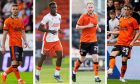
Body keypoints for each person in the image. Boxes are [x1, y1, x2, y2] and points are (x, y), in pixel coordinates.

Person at [108, 5, 140, 82]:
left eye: (127, 9)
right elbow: (121, 31)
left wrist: (133, 42)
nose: (125, 11)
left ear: (130, 11)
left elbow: (138, 32)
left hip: (127, 43)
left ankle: (121, 77)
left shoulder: (133, 20)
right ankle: (111, 69)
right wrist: (111, 32)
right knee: (112, 55)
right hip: (119, 42)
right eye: (124, 9)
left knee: (124, 61)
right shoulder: (121, 19)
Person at [72, 2, 102, 83]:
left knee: (95, 57)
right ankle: (74, 71)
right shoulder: (83, 16)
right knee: (82, 58)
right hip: (84, 41)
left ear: (93, 8)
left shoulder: (96, 16)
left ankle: (96, 77)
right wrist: (87, 26)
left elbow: (96, 25)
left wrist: (98, 29)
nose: (90, 9)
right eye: (89, 7)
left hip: (94, 41)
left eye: (91, 7)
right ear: (87, 8)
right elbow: (77, 27)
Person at [35, 1, 63, 82]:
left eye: (56, 7)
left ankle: (57, 74)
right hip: (48, 40)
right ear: (50, 8)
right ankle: (37, 74)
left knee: (60, 56)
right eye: (53, 7)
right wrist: (50, 31)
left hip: (56, 39)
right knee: (43, 57)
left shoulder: (59, 16)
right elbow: (40, 28)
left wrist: (59, 30)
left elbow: (57, 26)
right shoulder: (46, 17)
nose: (55, 9)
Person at [1, 4, 28, 84]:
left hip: (20, 44)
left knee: (19, 63)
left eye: (16, 9)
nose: (15, 10)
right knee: (14, 63)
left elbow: (23, 32)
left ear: (18, 10)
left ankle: (4, 73)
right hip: (13, 44)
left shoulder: (20, 20)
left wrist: (25, 41)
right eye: (14, 9)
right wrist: (3, 46)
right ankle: (19, 80)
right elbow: (5, 34)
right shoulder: (7, 21)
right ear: (11, 10)